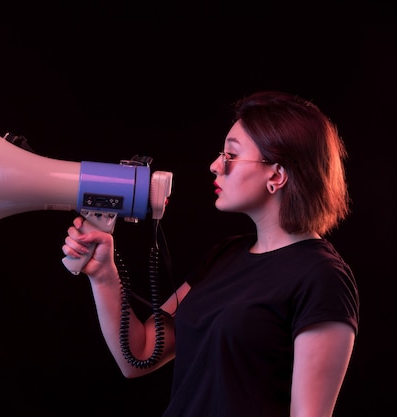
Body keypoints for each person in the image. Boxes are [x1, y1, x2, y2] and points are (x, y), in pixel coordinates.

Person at [61, 90, 360, 417]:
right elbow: (140, 353)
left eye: (231, 155)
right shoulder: (226, 255)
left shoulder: (322, 277)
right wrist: (103, 275)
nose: (215, 165)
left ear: (276, 175)